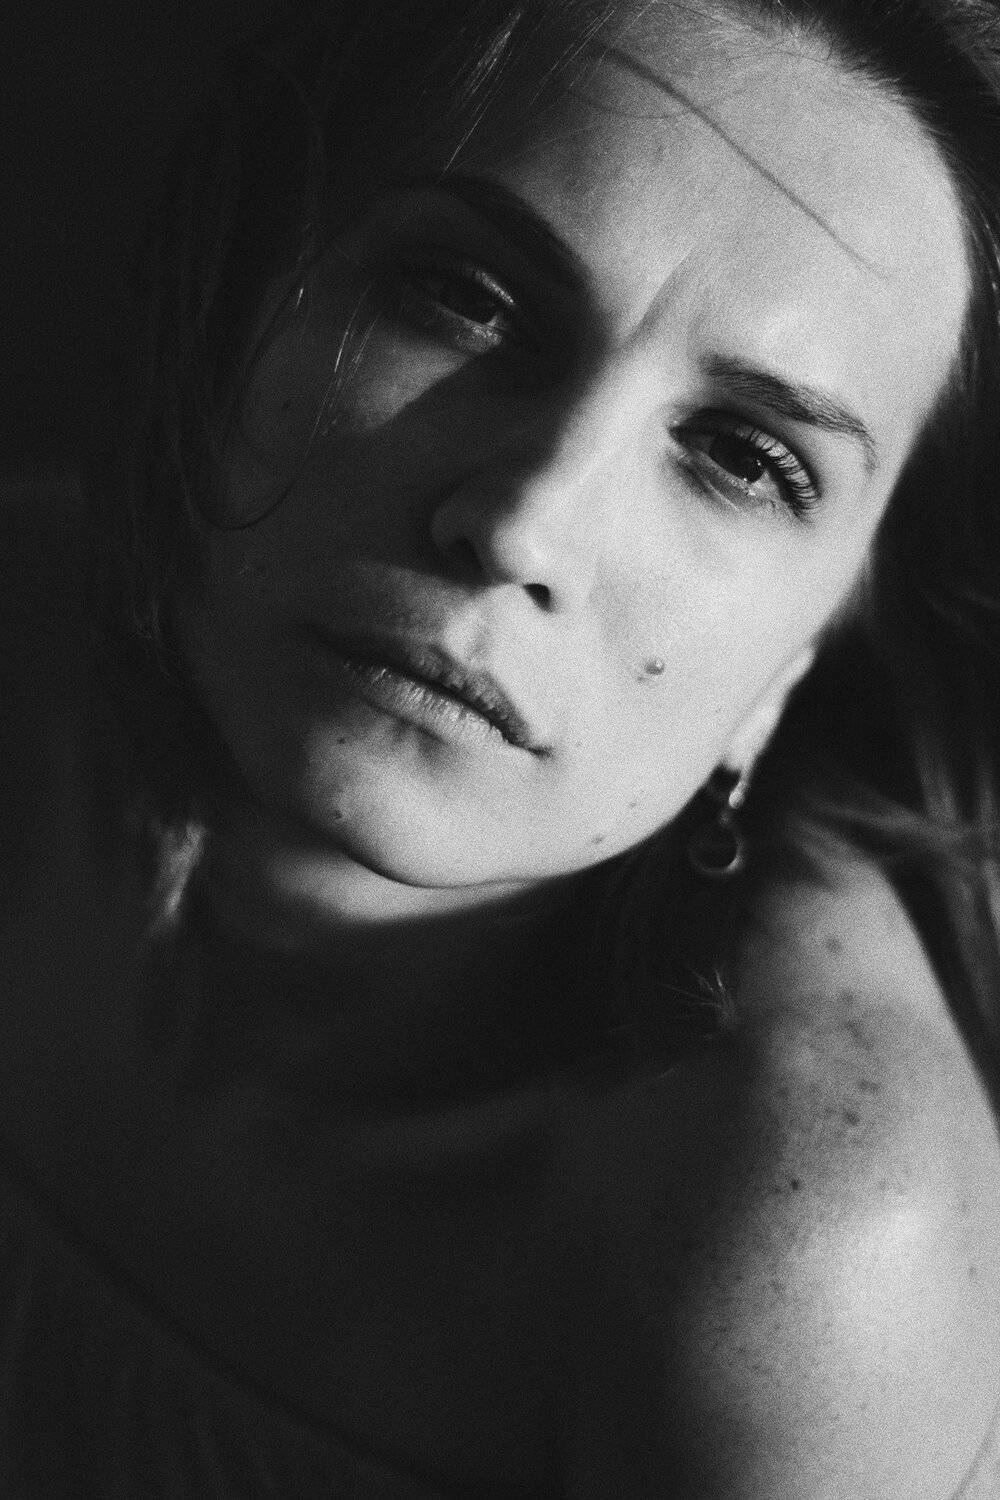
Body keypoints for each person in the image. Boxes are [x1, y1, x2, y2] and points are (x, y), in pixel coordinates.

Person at [3, 0, 1000, 1493]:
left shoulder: (799, 1241)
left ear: (800, 657)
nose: (527, 523)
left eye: (745, 458)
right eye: (466, 300)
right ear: (244, 297)